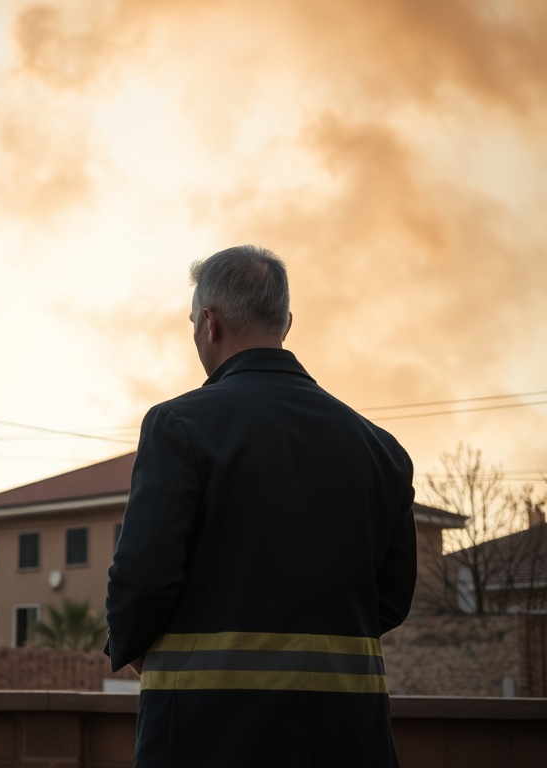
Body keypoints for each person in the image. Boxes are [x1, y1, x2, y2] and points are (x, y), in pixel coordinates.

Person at [105, 245, 416, 767]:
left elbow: (142, 579)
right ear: (286, 323)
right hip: (349, 739)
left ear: (209, 323)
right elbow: (391, 597)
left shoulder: (177, 427)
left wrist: (156, 657)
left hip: (205, 735)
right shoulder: (381, 448)